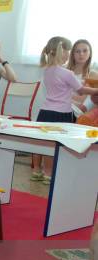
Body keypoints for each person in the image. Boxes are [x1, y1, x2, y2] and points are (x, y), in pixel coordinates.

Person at [32, 36, 98, 184]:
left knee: (46, 143)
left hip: (45, 112)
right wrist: (95, 91)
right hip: (61, 114)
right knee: (58, 144)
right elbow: (81, 90)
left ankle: (44, 172)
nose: (70, 55)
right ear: (64, 53)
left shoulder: (47, 71)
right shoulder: (67, 73)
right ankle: (50, 175)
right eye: (70, 52)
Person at [66, 40, 98, 115]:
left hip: (83, 113)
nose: (81, 54)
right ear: (73, 54)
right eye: (77, 51)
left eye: (85, 51)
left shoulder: (93, 74)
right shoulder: (65, 72)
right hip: (64, 108)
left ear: (90, 53)